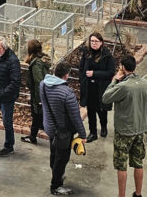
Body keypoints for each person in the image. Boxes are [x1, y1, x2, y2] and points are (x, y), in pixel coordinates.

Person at [102, 55, 147, 197]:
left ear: (123, 68)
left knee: (121, 165)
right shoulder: (145, 83)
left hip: (124, 131)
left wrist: (114, 80)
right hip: (140, 130)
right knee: (138, 162)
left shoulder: (123, 86)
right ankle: (138, 193)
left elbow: (106, 97)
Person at [40, 59, 86, 195]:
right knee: (62, 158)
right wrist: (82, 134)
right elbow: (75, 117)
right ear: (66, 75)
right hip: (63, 132)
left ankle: (56, 175)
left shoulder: (43, 84)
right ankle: (56, 185)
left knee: (54, 153)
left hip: (50, 127)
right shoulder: (67, 93)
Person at [79, 32, 115, 142]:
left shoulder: (107, 56)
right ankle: (93, 132)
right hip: (89, 87)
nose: (94, 43)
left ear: (101, 42)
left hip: (101, 88)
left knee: (102, 110)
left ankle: (103, 127)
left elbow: (110, 72)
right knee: (91, 111)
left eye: (96, 41)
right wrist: (82, 80)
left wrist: (94, 74)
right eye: (92, 41)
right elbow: (81, 68)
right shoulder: (86, 54)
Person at [21, 39, 52, 146]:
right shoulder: (42, 60)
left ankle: (32, 137)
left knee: (36, 114)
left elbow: (39, 82)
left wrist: (39, 99)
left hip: (38, 95)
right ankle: (42, 127)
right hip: (43, 93)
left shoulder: (35, 64)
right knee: (40, 114)